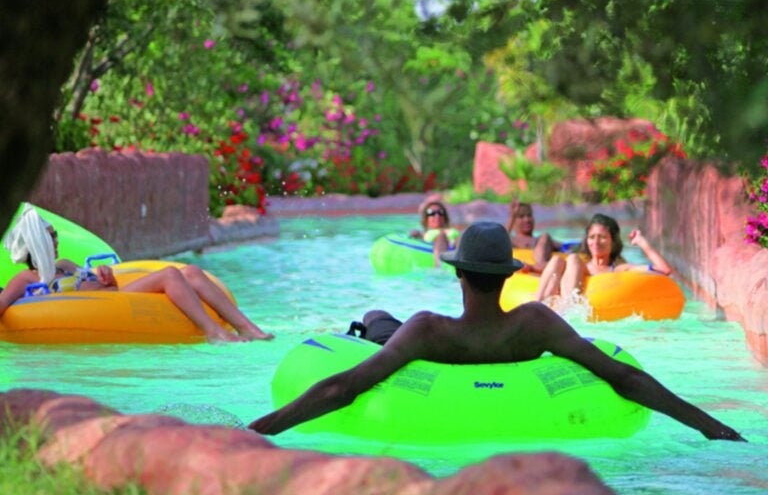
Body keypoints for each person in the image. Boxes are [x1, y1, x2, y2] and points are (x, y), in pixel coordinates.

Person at [248, 221, 744, 441]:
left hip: (412, 348)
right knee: (386, 323)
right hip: (496, 351)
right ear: (509, 276)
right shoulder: (535, 325)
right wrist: (712, 427)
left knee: (379, 317)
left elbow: (344, 386)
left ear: (458, 275)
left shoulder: (428, 330)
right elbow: (623, 377)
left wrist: (259, 430)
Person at [0, 205, 274, 343]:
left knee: (191, 270)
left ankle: (247, 327)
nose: (57, 240)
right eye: (50, 237)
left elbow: (104, 285)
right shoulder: (26, 279)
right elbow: (3, 303)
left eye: (55, 235)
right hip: (98, 308)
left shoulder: (66, 264)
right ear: (35, 244)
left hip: (114, 298)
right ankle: (212, 331)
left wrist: (106, 276)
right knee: (169, 274)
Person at [535, 213, 672, 304]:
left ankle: (569, 309)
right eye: (592, 237)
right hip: (558, 302)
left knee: (572, 258)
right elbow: (543, 269)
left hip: (581, 318)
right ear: (586, 241)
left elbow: (663, 270)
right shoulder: (574, 265)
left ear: (613, 241)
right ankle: (537, 306)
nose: (596, 242)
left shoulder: (618, 269)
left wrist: (642, 242)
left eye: (602, 237)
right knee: (561, 259)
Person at [506, 200, 563, 273]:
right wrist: (512, 216)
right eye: (521, 216)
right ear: (513, 221)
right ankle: (539, 266)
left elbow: (567, 248)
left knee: (545, 236)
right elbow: (499, 240)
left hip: (540, 267)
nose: (527, 220)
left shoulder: (543, 240)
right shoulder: (510, 241)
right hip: (522, 271)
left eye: (529, 215)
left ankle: (539, 265)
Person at [408, 199, 460, 267]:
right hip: (439, 247)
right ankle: (439, 267)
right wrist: (415, 234)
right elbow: (415, 236)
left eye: (440, 212)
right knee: (441, 236)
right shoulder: (425, 233)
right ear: (426, 219)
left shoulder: (452, 230)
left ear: (445, 217)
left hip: (456, 247)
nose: (437, 216)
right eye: (432, 213)